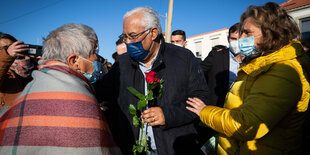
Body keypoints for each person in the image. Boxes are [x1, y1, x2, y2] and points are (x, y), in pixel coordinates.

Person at [187, 2, 310, 155]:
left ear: (270, 33)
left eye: (247, 33)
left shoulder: (283, 71)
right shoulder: (259, 63)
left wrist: (205, 112)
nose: (241, 38)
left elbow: (245, 124)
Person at [97, 6, 209, 155]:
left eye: (133, 36)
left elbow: (200, 98)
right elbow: (104, 94)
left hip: (175, 148)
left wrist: (168, 115)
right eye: (125, 37)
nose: (128, 43)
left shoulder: (183, 58)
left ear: (153, 33)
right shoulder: (122, 63)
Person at [0, 23, 120, 154]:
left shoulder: (35, 84)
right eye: (93, 51)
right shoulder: (76, 99)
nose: (97, 57)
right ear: (74, 61)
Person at [0, 33, 34, 116]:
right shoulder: (3, 68)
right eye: (5, 48)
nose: (12, 49)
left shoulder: (33, 64)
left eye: (12, 45)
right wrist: (7, 56)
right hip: (11, 119)